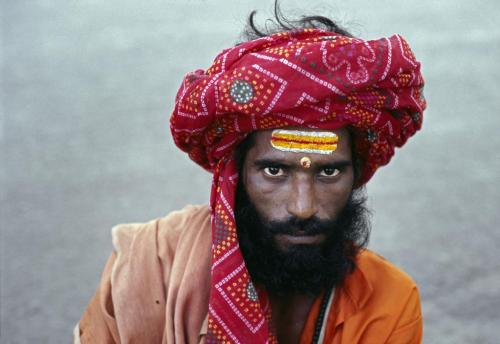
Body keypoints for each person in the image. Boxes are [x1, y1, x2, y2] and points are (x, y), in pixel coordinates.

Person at [75, 4, 426, 344]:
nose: (302, 207)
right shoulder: (148, 269)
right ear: (235, 172)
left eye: (329, 171)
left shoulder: (388, 303)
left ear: (357, 173)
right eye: (275, 170)